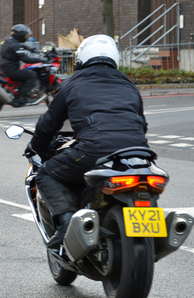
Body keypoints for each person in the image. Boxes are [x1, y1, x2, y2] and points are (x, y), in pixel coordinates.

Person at [26, 34, 149, 249]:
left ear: (80, 60)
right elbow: (140, 123)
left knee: (45, 174)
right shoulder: (129, 84)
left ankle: (66, 226)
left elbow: (48, 124)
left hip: (94, 150)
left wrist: (36, 149)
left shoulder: (72, 83)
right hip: (139, 154)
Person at [0, 24, 44, 107]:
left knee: (23, 73)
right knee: (31, 75)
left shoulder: (9, 40)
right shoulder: (16, 45)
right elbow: (25, 59)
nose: (27, 36)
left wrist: (30, 49)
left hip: (3, 66)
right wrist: (39, 60)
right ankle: (23, 97)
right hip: (11, 69)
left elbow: (21, 46)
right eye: (26, 34)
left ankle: (18, 93)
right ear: (21, 35)